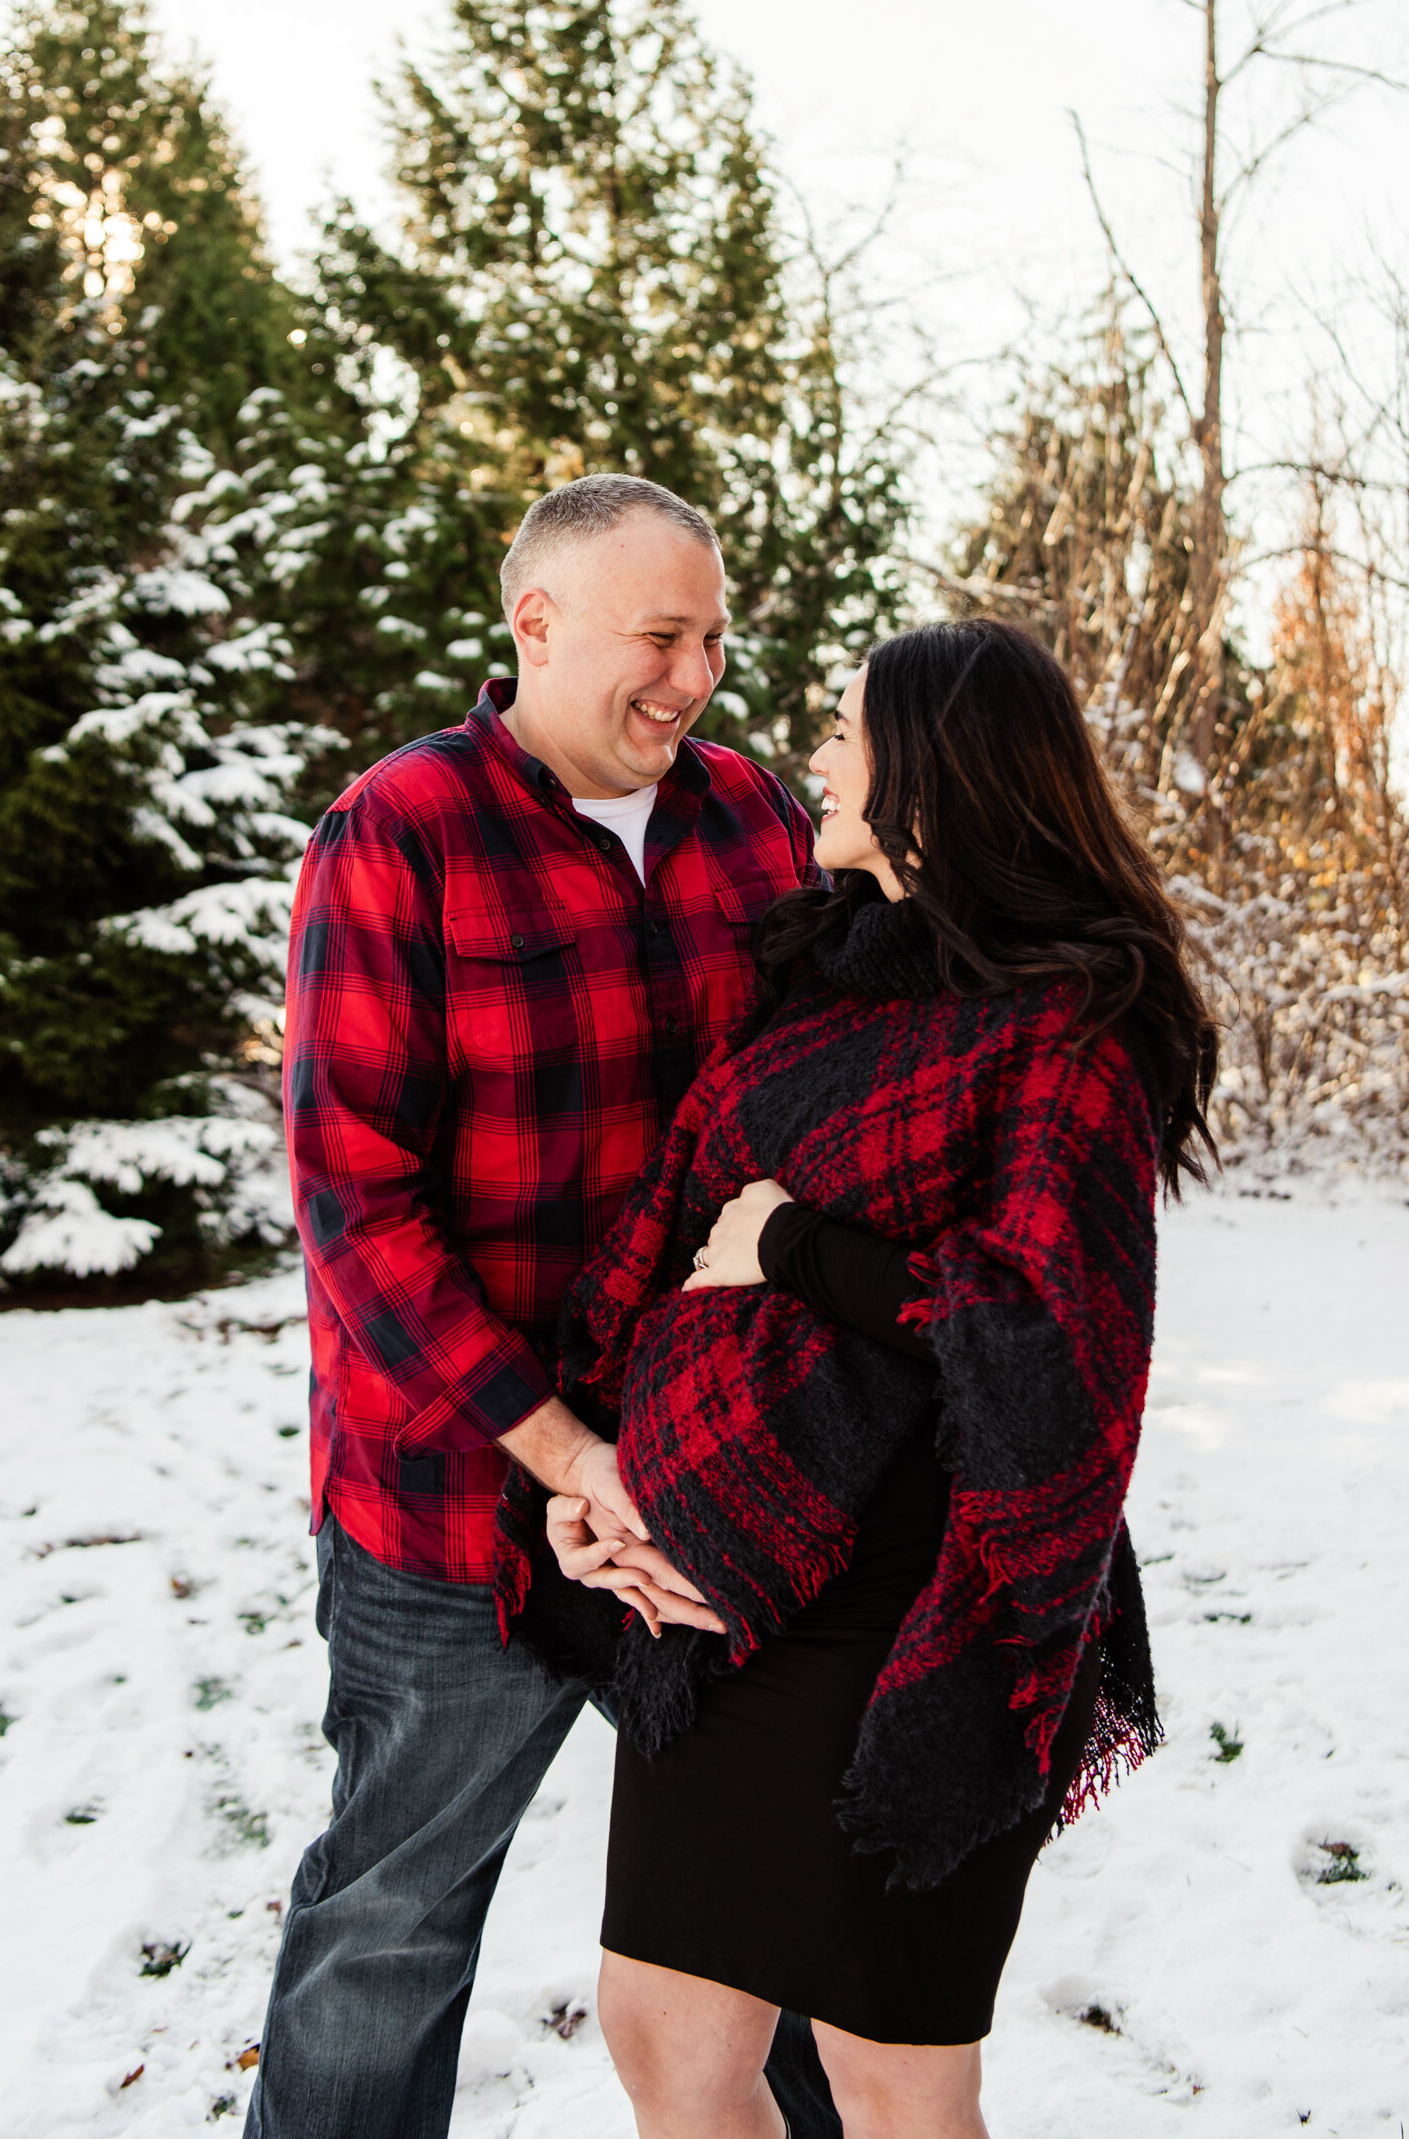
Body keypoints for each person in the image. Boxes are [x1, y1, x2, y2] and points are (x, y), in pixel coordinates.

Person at [497, 618, 1219, 2139]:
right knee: (662, 2038)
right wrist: (595, 1481)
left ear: (933, 773)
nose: (813, 757)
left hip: (924, 1608)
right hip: (734, 1592)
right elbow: (680, 1241)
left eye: (844, 730)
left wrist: (802, 1249)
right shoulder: (820, 978)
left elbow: (1051, 1342)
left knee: (887, 2076)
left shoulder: (1067, 1025)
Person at [247, 474, 847, 2138]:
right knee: (388, 1928)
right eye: (660, 635)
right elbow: (351, 1198)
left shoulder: (755, 819)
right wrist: (559, 1447)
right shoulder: (401, 833)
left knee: (778, 1936)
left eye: (713, 638)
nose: (693, 675)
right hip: (456, 1506)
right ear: (536, 625)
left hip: (711, 1487)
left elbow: (825, 1106)